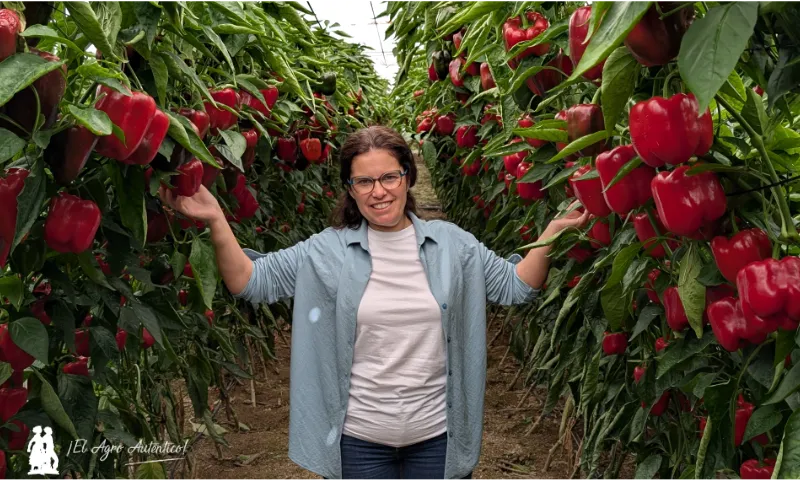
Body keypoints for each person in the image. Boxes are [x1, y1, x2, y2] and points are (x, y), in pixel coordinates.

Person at [160, 126, 589, 480]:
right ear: (350, 188)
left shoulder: (453, 245)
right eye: (363, 181)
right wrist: (216, 219)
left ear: (408, 177)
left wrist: (550, 234)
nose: (378, 192)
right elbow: (252, 282)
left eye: (389, 177)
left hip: (438, 439)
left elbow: (514, 286)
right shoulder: (325, 251)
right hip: (358, 443)